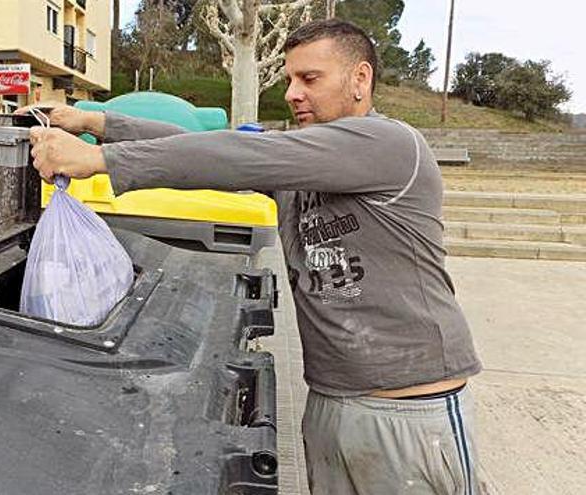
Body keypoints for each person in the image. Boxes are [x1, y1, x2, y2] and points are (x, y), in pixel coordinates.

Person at [24, 19, 482, 495]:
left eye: (310, 78)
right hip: (332, 400)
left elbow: (241, 152)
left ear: (360, 79)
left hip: (409, 413)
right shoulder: (303, 162)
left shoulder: (390, 144)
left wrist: (101, 161)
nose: (292, 93)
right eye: (288, 79)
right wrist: (97, 123)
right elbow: (209, 147)